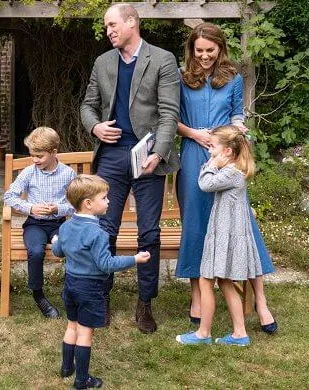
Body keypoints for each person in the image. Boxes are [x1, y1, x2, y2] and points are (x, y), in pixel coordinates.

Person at [80, 3, 180, 333]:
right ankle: (101, 298)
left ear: (131, 22)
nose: (108, 31)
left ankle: (145, 303)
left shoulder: (162, 59)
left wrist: (160, 152)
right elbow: (87, 105)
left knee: (148, 233)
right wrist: (95, 127)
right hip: (110, 157)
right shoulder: (103, 62)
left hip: (148, 158)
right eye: (106, 26)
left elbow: (169, 114)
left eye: (112, 24)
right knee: (104, 231)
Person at [175, 22, 277, 334]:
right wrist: (196, 134)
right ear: (192, 49)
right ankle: (197, 294)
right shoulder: (181, 78)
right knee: (196, 223)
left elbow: (237, 114)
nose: (204, 56)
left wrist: (237, 128)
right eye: (199, 50)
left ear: (221, 49)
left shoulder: (232, 78)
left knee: (242, 223)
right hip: (194, 155)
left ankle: (260, 300)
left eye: (210, 50)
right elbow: (172, 118)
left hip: (226, 155)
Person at [52, 174, 150, 389]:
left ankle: (67, 368)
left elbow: (58, 251)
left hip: (70, 284)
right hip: (90, 288)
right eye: (104, 198)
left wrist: (55, 240)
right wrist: (134, 259)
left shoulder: (66, 227)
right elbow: (106, 264)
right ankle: (82, 380)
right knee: (85, 332)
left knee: (72, 326)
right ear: (88, 204)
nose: (108, 202)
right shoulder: (98, 233)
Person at [176, 125, 264, 346]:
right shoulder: (234, 171)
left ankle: (203, 334)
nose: (210, 151)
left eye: (213, 147)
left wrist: (210, 164)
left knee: (206, 281)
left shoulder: (231, 173)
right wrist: (214, 162)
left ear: (228, 151)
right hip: (224, 235)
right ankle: (239, 334)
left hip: (225, 237)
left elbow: (205, 184)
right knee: (224, 282)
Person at [3, 127, 76, 318]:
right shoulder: (29, 172)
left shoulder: (68, 174)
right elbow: (9, 196)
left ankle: (70, 292)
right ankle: (38, 295)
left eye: (39, 156)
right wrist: (30, 208)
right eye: (32, 156)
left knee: (70, 248)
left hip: (59, 224)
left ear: (53, 152)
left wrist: (58, 209)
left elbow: (76, 204)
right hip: (35, 224)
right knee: (35, 251)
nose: (35, 160)